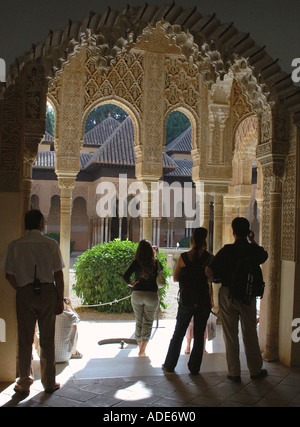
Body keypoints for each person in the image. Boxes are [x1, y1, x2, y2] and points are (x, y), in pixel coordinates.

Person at [1, 209, 65, 394]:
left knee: (25, 338)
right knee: (47, 339)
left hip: (25, 293)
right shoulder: (51, 244)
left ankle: (24, 381)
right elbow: (58, 274)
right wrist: (59, 299)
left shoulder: (16, 245)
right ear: (40, 223)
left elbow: (9, 274)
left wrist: (22, 289)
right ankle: (49, 382)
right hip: (47, 292)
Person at [206, 217, 268, 383]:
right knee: (250, 333)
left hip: (228, 294)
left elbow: (209, 270)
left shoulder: (227, 250)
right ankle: (255, 370)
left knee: (230, 335)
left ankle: (234, 373)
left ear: (233, 232)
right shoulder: (252, 250)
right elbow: (264, 255)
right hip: (247, 295)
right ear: (248, 232)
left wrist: (214, 284)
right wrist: (252, 241)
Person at [162, 227, 213, 375]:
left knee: (178, 333)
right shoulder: (210, 258)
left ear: (192, 239)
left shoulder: (184, 257)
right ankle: (194, 368)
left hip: (187, 301)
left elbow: (176, 277)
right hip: (203, 300)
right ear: (205, 241)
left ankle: (170, 365)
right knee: (198, 336)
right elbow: (212, 277)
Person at [123, 240, 160, 357]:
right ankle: (142, 350)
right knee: (148, 322)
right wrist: (156, 255)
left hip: (137, 293)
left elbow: (125, 276)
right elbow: (161, 273)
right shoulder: (155, 262)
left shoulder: (136, 262)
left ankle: (141, 348)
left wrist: (130, 283)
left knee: (139, 321)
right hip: (151, 295)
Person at [35, 297, 82, 363]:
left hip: (45, 357)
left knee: (35, 327)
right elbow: (78, 319)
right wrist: (70, 306)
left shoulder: (44, 314)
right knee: (74, 325)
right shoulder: (70, 315)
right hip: (65, 356)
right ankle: (73, 352)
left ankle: (29, 354)